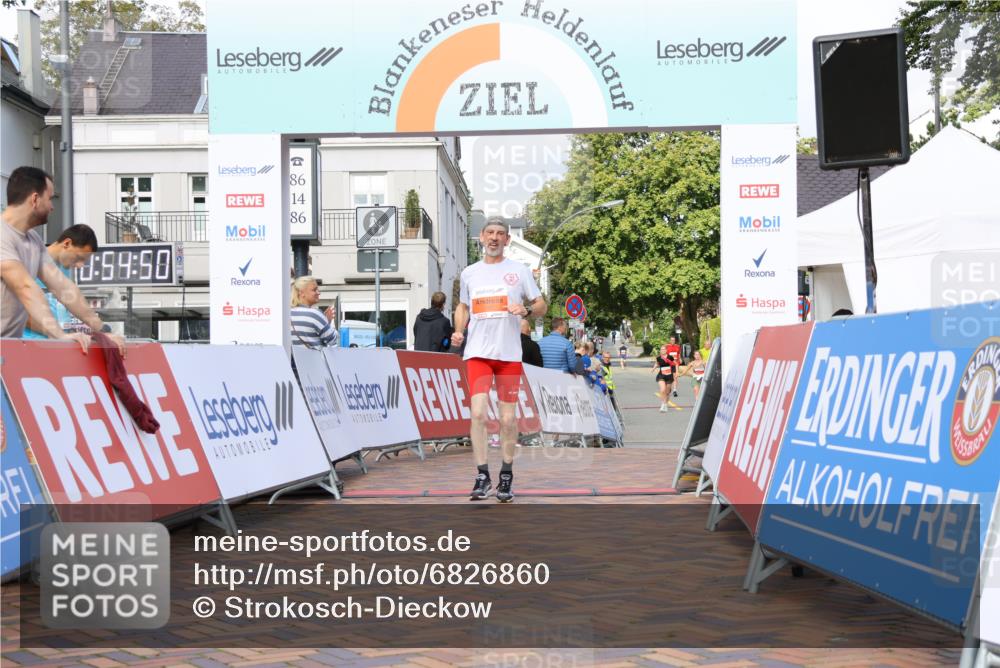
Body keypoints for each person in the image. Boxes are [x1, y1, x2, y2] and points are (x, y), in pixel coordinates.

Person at [451, 218, 546, 503]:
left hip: (507, 356)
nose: (494, 238)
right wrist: (458, 331)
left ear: (507, 240)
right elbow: (463, 306)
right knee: (478, 413)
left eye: (501, 234)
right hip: (478, 353)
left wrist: (527, 311)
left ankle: (506, 474)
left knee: (507, 419)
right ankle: (482, 475)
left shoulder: (519, 271)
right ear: (481, 237)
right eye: (490, 233)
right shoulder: (469, 273)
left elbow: (541, 304)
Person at [1, 167, 124, 355]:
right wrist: (59, 335)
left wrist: (103, 331)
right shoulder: (2, 236)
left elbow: (63, 287)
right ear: (35, 199)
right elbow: (25, 288)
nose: (52, 206)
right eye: (50, 198)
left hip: (7, 350)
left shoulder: (34, 241)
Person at [23, 224, 99, 339]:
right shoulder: (28, 260)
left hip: (55, 343)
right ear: (66, 244)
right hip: (28, 344)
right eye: (79, 258)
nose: (80, 265)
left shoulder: (64, 269)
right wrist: (58, 334)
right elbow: (18, 313)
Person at [290, 275, 338, 347]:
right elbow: (334, 340)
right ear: (301, 293)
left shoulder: (287, 313)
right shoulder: (314, 314)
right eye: (314, 290)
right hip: (314, 358)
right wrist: (329, 323)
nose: (318, 293)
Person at [652, 344, 680, 412]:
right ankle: (663, 404)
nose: (663, 350)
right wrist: (653, 368)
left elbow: (675, 364)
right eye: (661, 349)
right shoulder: (658, 358)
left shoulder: (670, 357)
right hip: (661, 375)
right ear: (660, 351)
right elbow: (657, 363)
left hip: (669, 376)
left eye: (664, 349)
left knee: (667, 392)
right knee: (662, 390)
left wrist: (676, 372)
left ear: (666, 350)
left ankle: (665, 404)